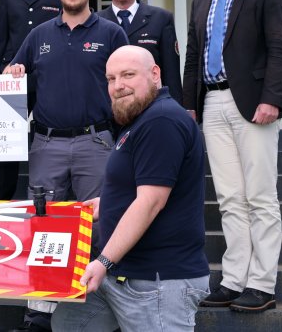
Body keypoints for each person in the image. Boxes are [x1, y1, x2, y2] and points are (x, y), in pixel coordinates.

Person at [51, 45, 209, 331]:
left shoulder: (162, 120)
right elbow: (138, 188)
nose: (118, 86)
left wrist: (102, 262)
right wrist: (105, 205)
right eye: (111, 79)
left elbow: (150, 202)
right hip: (124, 275)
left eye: (128, 75)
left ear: (155, 74)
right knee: (70, 323)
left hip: (157, 281)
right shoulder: (142, 119)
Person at [183, 0, 282, 312]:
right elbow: (193, 57)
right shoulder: (200, 1)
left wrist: (272, 98)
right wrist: (189, 105)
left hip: (254, 104)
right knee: (229, 197)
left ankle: (262, 283)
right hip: (211, 104)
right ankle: (234, 279)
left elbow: (279, 47)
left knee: (260, 196)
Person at [4, 0, 128, 203]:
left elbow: (129, 83)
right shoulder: (39, 34)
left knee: (99, 223)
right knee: (44, 221)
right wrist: (12, 71)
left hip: (96, 142)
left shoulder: (112, 33)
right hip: (46, 144)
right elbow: (12, 71)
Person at [0, 0, 61, 202]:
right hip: (13, 79)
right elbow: (2, 37)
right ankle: (4, 197)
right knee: (8, 141)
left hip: (49, 78)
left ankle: (44, 194)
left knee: (46, 139)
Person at [98, 0, 183, 105]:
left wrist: (176, 110)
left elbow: (171, 75)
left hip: (151, 111)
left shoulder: (162, 19)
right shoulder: (96, 22)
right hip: (108, 114)